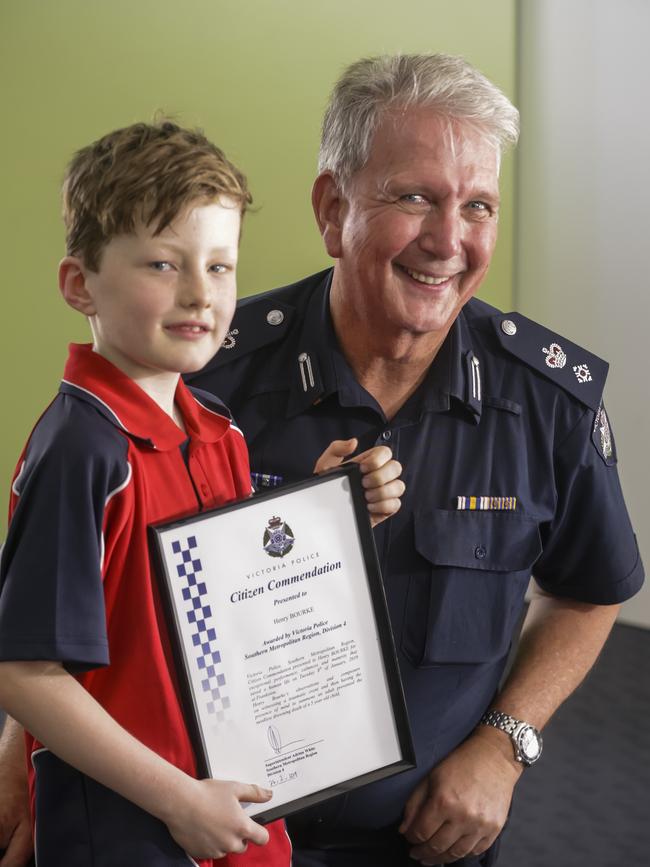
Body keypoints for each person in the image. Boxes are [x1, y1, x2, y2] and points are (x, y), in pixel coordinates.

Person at [0, 120, 404, 867]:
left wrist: (325, 510)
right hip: (131, 833)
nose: (199, 293)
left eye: (221, 267)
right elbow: (26, 674)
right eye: (162, 263)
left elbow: (222, 594)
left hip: (239, 807)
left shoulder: (218, 427)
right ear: (79, 283)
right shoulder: (82, 450)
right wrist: (179, 800)